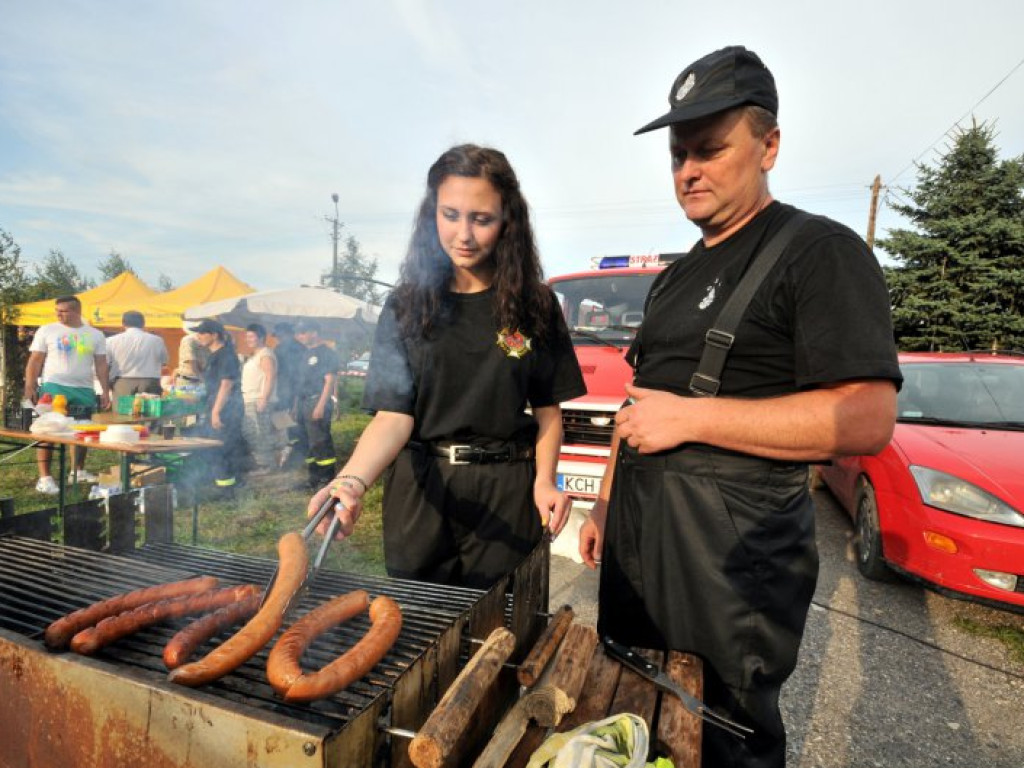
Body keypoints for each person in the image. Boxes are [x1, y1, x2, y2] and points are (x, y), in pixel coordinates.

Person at [577, 47, 902, 768]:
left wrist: (693, 419)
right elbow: (638, 407)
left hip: (732, 558)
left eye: (710, 149)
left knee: (721, 736)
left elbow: (868, 419)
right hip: (639, 537)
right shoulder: (673, 275)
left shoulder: (819, 252)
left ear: (769, 145)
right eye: (677, 154)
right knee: (632, 711)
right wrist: (603, 504)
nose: (688, 170)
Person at [307, 144, 586, 589]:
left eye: (482, 219)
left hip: (507, 489)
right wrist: (351, 482)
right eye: (450, 214)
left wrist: (545, 482)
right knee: (418, 627)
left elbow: (549, 412)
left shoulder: (535, 304)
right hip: (423, 491)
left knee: (503, 628)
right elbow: (393, 415)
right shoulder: (406, 306)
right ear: (431, 214)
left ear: (507, 221)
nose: (464, 234)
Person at [23, 295, 111, 493]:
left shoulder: (95, 335)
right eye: (57, 311)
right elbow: (35, 359)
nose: (58, 314)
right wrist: (30, 384)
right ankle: (45, 478)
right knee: (47, 430)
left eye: (63, 311)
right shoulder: (47, 330)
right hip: (54, 386)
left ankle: (77, 471)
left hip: (84, 388)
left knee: (81, 431)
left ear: (77, 311)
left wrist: (105, 390)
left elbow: (101, 364)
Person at [191, 319, 244, 493]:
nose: (198, 336)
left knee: (221, 448)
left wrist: (216, 412)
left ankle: (227, 491)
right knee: (215, 447)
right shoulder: (214, 354)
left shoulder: (226, 355)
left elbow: (226, 384)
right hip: (217, 405)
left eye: (201, 332)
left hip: (226, 408)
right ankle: (222, 484)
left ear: (214, 335)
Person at [293, 319, 340, 490]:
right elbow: (300, 383)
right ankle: (313, 478)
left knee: (321, 441)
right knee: (308, 442)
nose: (299, 336)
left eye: (302, 332)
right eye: (297, 333)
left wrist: (320, 405)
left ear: (314, 332)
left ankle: (326, 479)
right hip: (304, 402)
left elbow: (329, 381)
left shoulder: (327, 353)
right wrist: (295, 406)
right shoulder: (305, 353)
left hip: (317, 401)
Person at [240, 323, 281, 475]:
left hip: (258, 400)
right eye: (247, 336)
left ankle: (266, 466)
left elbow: (270, 376)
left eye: (251, 336)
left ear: (261, 337)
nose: (247, 340)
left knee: (259, 433)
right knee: (252, 432)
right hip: (250, 399)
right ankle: (262, 463)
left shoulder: (265, 354)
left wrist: (264, 398)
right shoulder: (255, 355)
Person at [105, 310, 169, 400]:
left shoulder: (110, 341)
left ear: (123, 323)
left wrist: (106, 388)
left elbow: (105, 365)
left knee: (123, 412)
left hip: (122, 383)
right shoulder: (157, 340)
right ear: (143, 323)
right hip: (150, 382)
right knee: (150, 412)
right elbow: (164, 362)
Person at [270, 321, 305, 466]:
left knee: (287, 425)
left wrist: (295, 399)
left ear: (288, 334)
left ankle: (290, 456)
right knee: (292, 426)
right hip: (291, 392)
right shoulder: (301, 348)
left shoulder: (285, 349)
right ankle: (295, 454)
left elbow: (296, 375)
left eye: (279, 335)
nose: (277, 338)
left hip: (288, 393)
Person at [175, 320, 210, 387]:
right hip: (191, 382)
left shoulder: (191, 340)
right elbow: (193, 364)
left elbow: (194, 363)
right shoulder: (191, 340)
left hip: (194, 381)